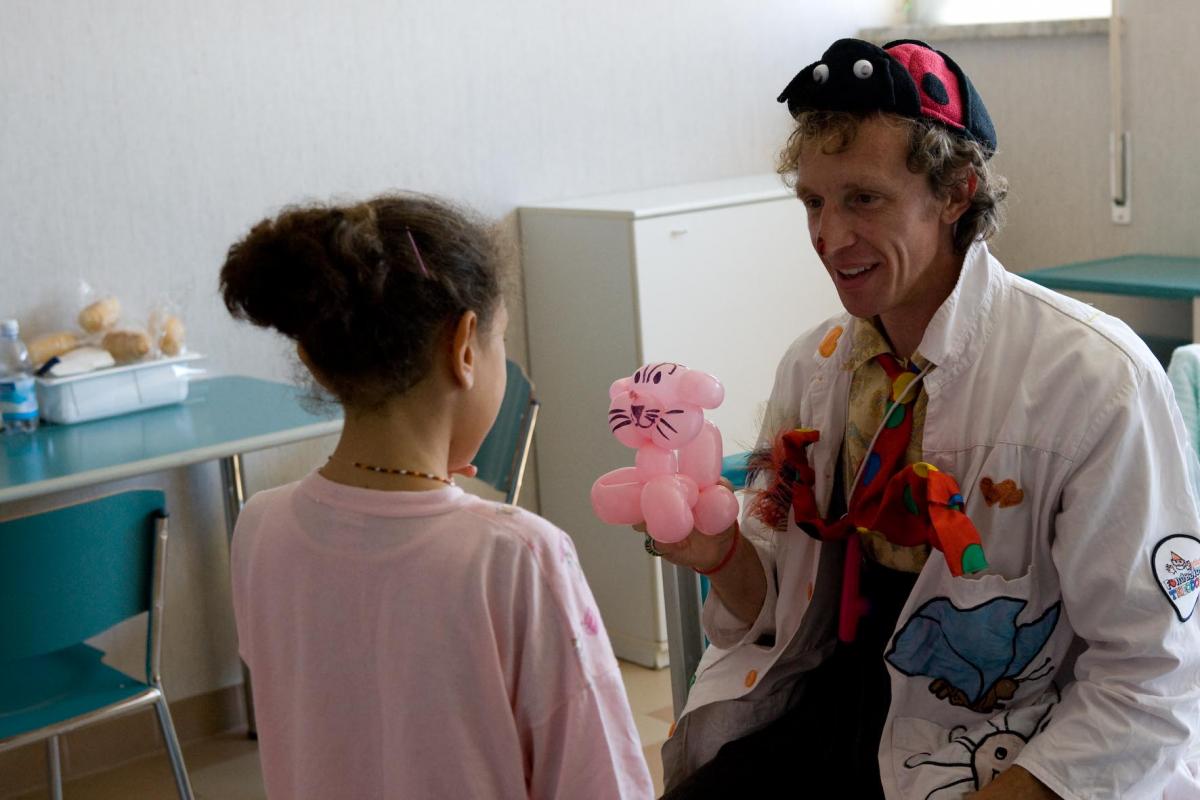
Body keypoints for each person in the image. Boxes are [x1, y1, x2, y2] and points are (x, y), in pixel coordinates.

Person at [651, 38, 1200, 799]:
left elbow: (1151, 680)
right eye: (814, 202)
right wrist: (720, 556)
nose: (830, 238)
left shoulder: (1094, 381)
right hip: (831, 711)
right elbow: (779, 618)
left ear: (956, 193)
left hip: (1007, 744)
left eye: (864, 199)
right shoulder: (814, 367)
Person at [219, 194, 654, 799]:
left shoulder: (260, 527)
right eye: (502, 340)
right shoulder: (519, 555)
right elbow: (598, 783)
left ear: (313, 360)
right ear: (466, 347)